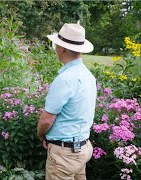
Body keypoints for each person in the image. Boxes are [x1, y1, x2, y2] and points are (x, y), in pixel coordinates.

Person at [37, 23, 97, 180]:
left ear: (62, 48)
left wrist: (42, 136)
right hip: (82, 148)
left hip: (65, 155)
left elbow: (46, 120)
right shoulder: (87, 75)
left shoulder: (64, 79)